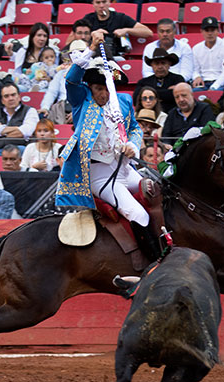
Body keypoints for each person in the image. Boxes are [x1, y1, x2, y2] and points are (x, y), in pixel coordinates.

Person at [55, 31, 159, 262]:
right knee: (137, 213)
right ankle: (153, 262)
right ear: (90, 87)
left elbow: (135, 128)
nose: (103, 93)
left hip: (124, 168)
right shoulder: (81, 99)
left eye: (106, 88)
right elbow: (71, 79)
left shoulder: (122, 100)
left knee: (158, 190)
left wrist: (133, 143)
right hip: (99, 174)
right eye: (98, 88)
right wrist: (92, 48)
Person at [38, 40, 88, 124]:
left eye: (81, 52)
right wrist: (45, 107)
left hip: (85, 110)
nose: (78, 56)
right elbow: (51, 92)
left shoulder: (92, 73)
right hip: (63, 108)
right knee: (42, 117)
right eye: (74, 53)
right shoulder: (61, 74)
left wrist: (78, 112)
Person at [81, 0, 152, 58]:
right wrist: (93, 34)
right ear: (93, 4)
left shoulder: (120, 17)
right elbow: (75, 36)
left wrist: (126, 30)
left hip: (116, 56)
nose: (101, 6)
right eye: (98, 2)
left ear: (109, 2)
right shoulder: (88, 19)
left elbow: (148, 32)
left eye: (104, 2)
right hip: (93, 55)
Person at [0, 82, 40, 149]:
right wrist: (17, 128)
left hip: (20, 150)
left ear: (19, 97)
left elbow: (27, 131)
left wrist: (2, 131)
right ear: (2, 100)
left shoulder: (30, 111)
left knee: (22, 149)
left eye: (13, 95)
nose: (10, 98)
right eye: (6, 96)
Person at [133, 48, 185, 114]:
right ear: (152, 65)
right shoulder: (143, 82)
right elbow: (136, 100)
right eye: (156, 63)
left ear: (169, 64)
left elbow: (181, 97)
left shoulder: (178, 79)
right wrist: (167, 92)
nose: (160, 67)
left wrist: (149, 93)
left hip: (173, 115)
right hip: (150, 116)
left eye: (163, 63)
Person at [192, 17, 224, 91]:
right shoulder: (196, 48)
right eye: (207, 30)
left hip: (221, 83)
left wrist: (214, 86)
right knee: (194, 93)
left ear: (218, 31)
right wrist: (197, 77)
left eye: (212, 30)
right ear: (201, 31)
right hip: (203, 83)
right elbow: (194, 69)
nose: (210, 33)